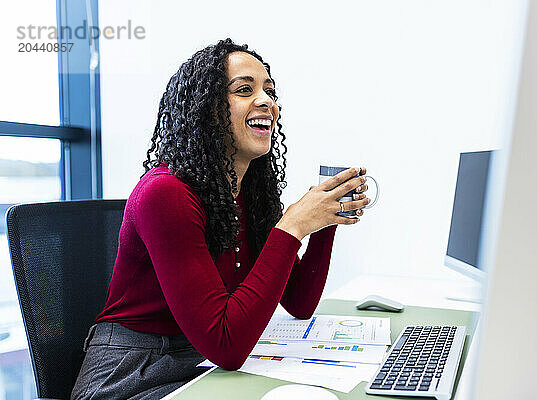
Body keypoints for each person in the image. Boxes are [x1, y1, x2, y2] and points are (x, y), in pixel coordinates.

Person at [71, 38, 371, 400]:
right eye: (245, 90)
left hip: (199, 359)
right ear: (208, 110)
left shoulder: (251, 194)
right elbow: (226, 345)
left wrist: (323, 218)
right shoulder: (165, 194)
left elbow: (300, 302)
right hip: (132, 375)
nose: (267, 102)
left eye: (269, 92)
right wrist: (292, 225)